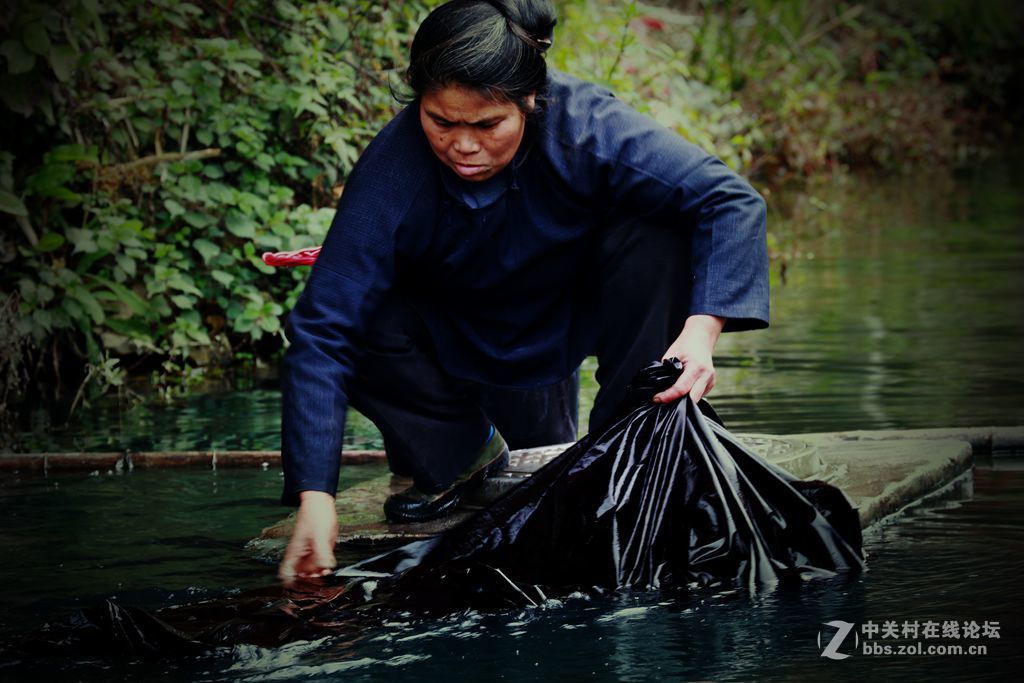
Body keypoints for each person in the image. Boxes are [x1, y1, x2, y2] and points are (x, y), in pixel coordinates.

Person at [277, 0, 769, 584]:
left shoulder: (587, 125)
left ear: (530, 101)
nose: (463, 145)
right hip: (447, 351)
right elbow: (321, 331)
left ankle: (630, 447)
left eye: (487, 125)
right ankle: (458, 451)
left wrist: (701, 331)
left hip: (556, 330)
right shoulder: (393, 165)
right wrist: (316, 496)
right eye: (441, 122)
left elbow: (730, 200)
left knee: (659, 230)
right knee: (335, 301)